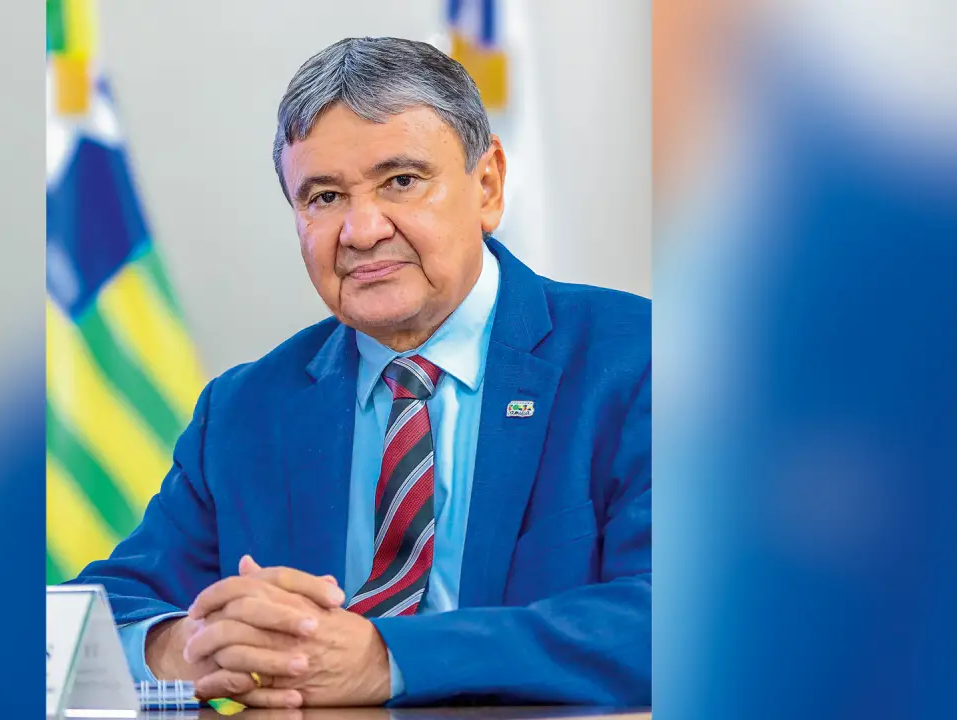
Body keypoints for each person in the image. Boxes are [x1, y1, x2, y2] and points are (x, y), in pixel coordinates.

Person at [69, 36, 650, 709]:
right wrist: (190, 645)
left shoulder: (638, 358)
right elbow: (93, 614)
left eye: (401, 181)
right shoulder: (244, 410)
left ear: (488, 185)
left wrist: (389, 658)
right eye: (324, 197)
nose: (362, 229)